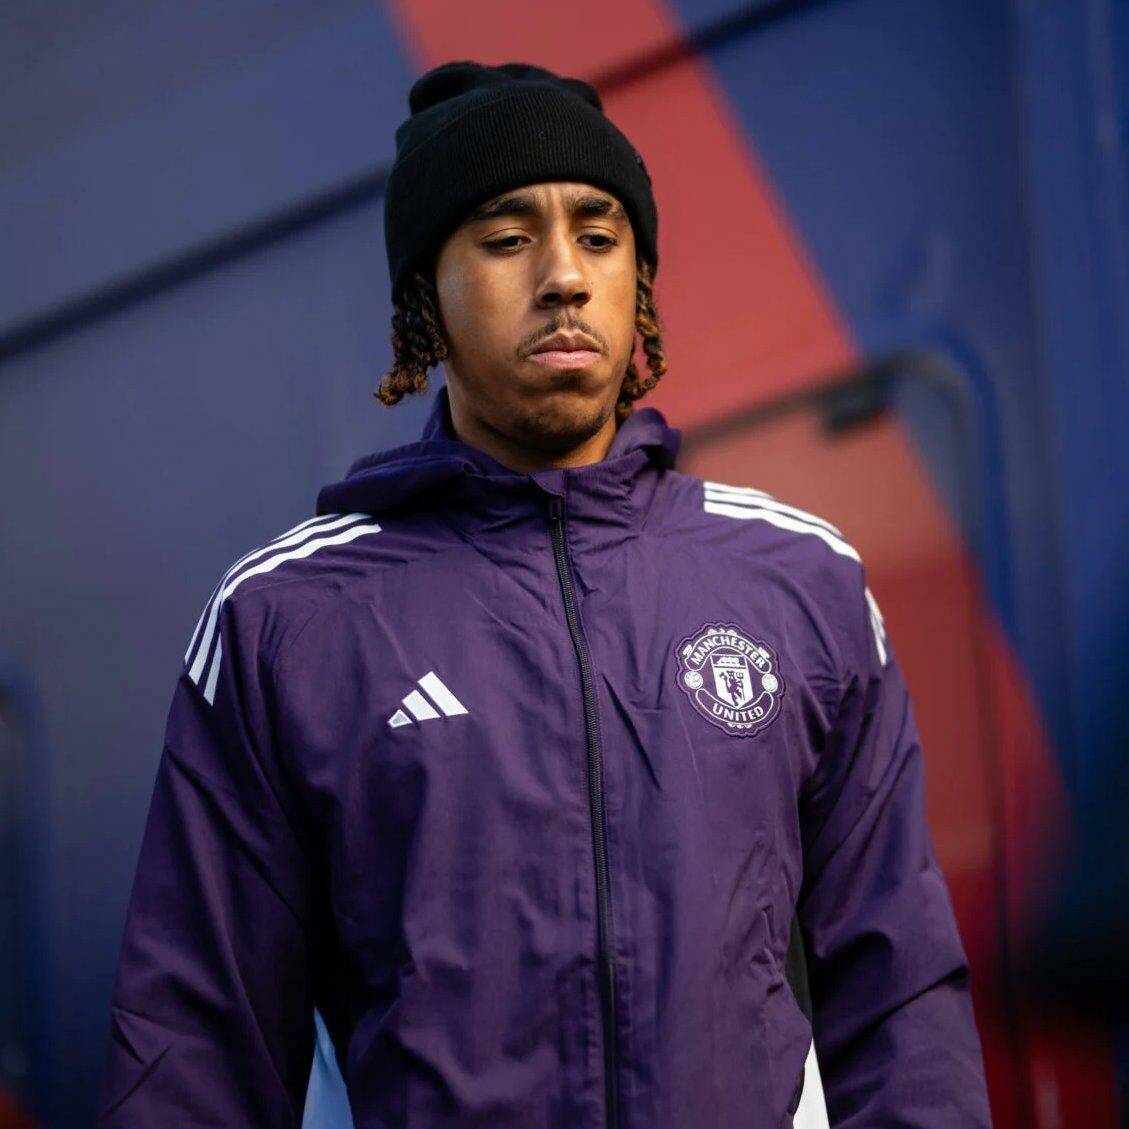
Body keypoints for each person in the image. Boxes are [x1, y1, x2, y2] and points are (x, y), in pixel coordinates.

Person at [99, 60, 992, 1127]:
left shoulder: (800, 581)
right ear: (425, 299)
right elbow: (194, 1049)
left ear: (637, 280)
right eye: (507, 238)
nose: (564, 275)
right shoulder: (285, 621)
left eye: (599, 236)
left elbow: (900, 999)